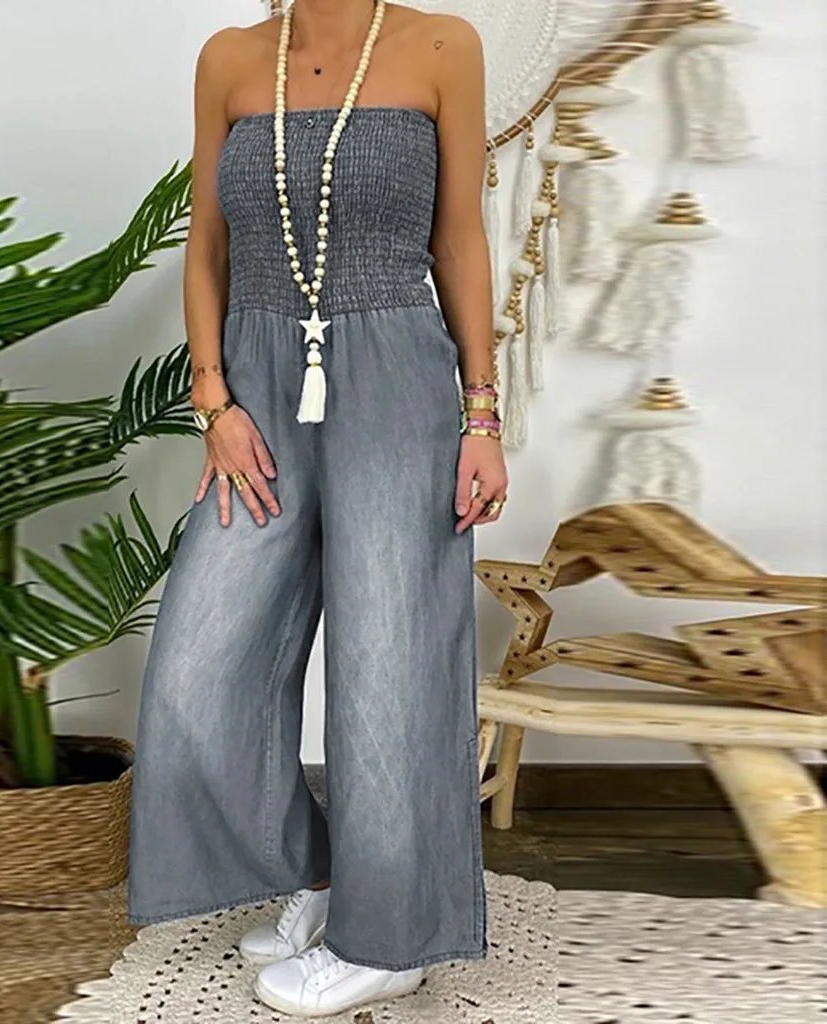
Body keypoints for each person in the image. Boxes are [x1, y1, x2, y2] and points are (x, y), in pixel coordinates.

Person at [128, 0, 507, 1016]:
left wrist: (481, 413)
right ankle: (332, 874)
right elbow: (207, 245)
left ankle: (389, 941)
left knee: (390, 669)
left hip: (398, 377)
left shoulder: (442, 45)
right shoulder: (230, 57)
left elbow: (459, 238)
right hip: (257, 380)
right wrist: (213, 401)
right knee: (198, 666)